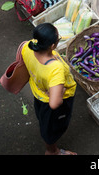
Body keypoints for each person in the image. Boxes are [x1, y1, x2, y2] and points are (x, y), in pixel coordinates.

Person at [22, 23, 77, 155]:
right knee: (51, 128)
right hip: (49, 102)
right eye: (58, 39)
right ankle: (53, 152)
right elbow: (54, 103)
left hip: (39, 94)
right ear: (53, 45)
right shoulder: (55, 69)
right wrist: (61, 90)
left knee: (44, 121)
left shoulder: (27, 46)